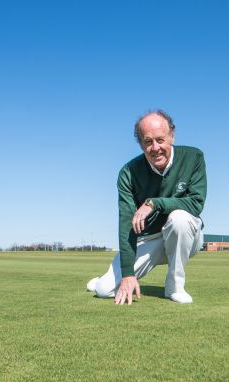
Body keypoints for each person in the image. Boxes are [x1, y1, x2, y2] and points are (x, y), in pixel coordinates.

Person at [86, 110, 207, 305]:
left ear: (172, 136)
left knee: (179, 218)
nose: (155, 147)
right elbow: (126, 224)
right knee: (104, 290)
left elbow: (196, 203)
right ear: (141, 144)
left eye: (160, 139)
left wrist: (154, 203)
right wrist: (127, 274)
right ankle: (102, 280)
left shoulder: (194, 157)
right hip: (149, 239)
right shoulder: (128, 172)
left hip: (186, 235)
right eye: (148, 141)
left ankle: (175, 287)